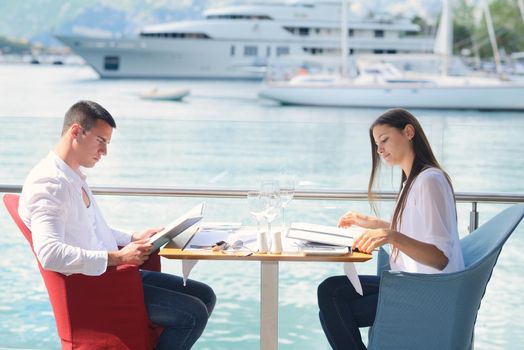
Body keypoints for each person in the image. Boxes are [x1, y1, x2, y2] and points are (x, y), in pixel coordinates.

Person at [19, 100, 216, 350]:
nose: (105, 152)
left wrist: (134, 238)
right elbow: (50, 254)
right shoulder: (50, 184)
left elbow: (90, 229)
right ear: (76, 131)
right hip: (94, 288)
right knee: (192, 314)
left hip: (108, 275)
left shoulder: (70, 176)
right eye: (101, 140)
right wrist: (119, 257)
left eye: (107, 143)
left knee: (205, 295)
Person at [317, 108, 465, 350]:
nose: (379, 150)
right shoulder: (414, 181)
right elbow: (418, 232)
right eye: (377, 144)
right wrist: (375, 224)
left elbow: (439, 258)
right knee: (331, 293)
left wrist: (390, 236)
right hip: (412, 285)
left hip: (427, 294)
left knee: (332, 303)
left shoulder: (429, 181)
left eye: (384, 140)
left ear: (408, 132)